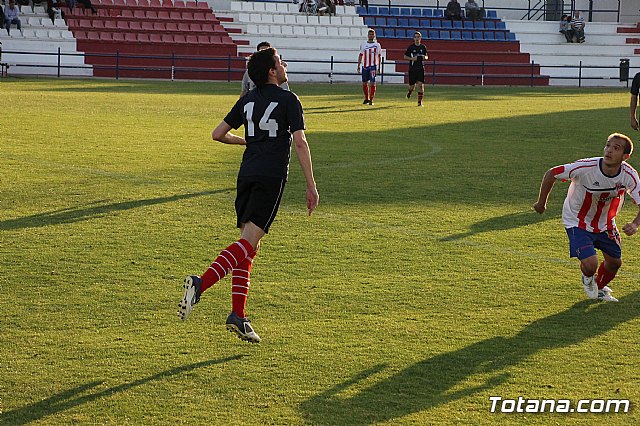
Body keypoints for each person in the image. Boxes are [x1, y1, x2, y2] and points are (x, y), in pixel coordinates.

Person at [178, 47, 319, 344]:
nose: (284, 66)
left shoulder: (247, 100)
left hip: (246, 175)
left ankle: (238, 316)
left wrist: (249, 141)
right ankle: (200, 283)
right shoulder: (289, 99)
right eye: (280, 62)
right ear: (272, 71)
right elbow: (301, 143)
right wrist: (311, 184)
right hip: (271, 177)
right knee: (247, 244)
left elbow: (217, 134)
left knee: (248, 246)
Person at [533, 133, 640, 302]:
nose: (609, 151)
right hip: (577, 220)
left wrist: (635, 224)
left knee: (615, 263)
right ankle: (588, 278)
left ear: (625, 157)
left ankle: (598, 288)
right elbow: (552, 173)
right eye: (608, 146)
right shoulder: (585, 167)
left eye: (616, 148)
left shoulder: (629, 175)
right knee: (591, 265)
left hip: (606, 224)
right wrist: (541, 203)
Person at [357, 28, 382, 106]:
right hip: (365, 66)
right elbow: (361, 55)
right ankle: (366, 98)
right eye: (370, 34)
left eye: (372, 34)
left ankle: (371, 99)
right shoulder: (364, 44)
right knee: (364, 83)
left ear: (374, 35)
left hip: (372, 67)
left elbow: (379, 56)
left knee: (372, 82)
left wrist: (379, 67)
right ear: (368, 35)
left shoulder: (377, 45)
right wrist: (358, 65)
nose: (371, 36)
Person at [404, 31, 428, 107]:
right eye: (415, 37)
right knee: (412, 86)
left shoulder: (423, 47)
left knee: (420, 85)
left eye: (418, 37)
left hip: (420, 69)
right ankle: (410, 92)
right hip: (412, 69)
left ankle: (419, 102)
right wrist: (412, 59)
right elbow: (405, 56)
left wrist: (425, 57)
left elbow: (427, 56)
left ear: (420, 38)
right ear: (413, 38)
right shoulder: (411, 47)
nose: (417, 38)